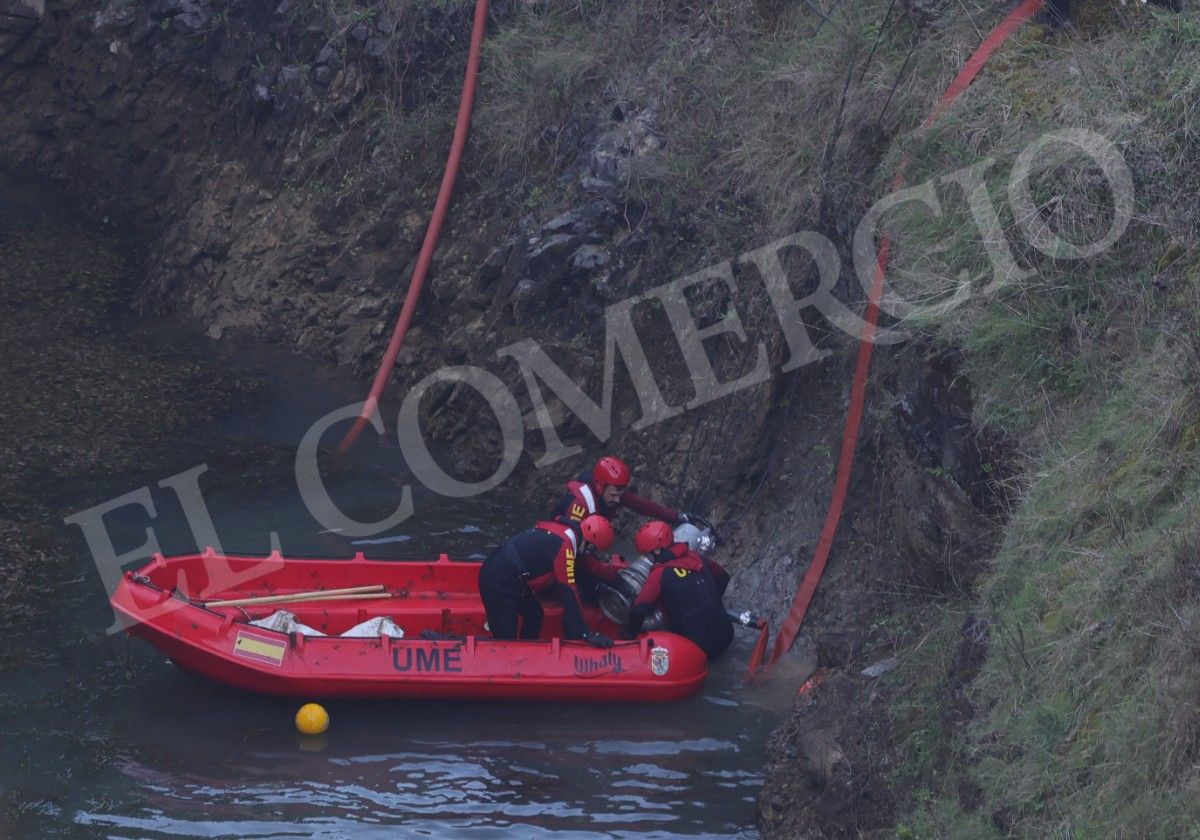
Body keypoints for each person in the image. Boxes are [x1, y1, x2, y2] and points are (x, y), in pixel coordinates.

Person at [479, 514, 619, 646]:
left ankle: (526, 651)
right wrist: (583, 633)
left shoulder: (564, 530)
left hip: (507, 573)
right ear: (589, 544)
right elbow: (570, 591)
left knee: (534, 614)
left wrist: (609, 580)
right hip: (499, 580)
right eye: (592, 551)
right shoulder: (565, 547)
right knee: (505, 640)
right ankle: (508, 656)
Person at [623, 520, 733, 661]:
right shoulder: (698, 558)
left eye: (648, 555)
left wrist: (627, 635)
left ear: (657, 551)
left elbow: (639, 610)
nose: (648, 559)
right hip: (727, 634)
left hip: (698, 647)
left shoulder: (659, 574)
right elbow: (724, 578)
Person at [551, 455, 688, 526]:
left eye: (620, 495)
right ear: (600, 487)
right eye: (613, 495)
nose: (617, 500)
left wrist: (676, 516)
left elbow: (642, 506)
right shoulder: (579, 506)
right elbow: (568, 545)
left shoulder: (611, 492)